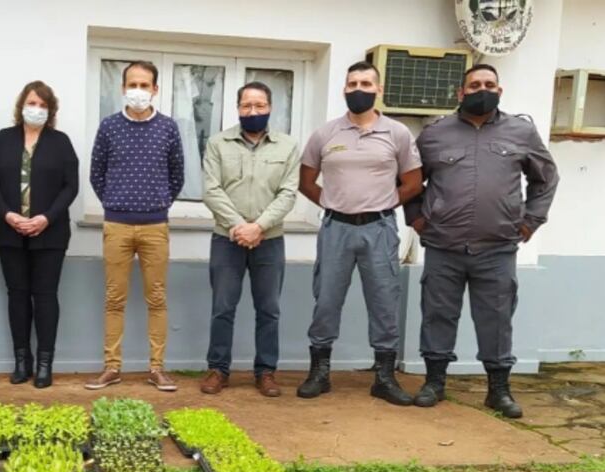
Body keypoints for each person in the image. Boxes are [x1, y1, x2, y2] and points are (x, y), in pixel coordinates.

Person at [405, 63, 559, 418]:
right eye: (474, 85)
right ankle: (434, 383)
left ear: (500, 91)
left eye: (489, 84)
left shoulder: (521, 132)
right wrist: (415, 217)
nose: (481, 89)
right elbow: (410, 180)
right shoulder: (434, 134)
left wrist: (532, 220)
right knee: (438, 315)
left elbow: (545, 178)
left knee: (497, 318)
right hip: (444, 246)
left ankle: (499, 390)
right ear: (460, 93)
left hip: (497, 247)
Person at [296, 61, 423, 404]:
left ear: (379, 89)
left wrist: (382, 202)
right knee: (326, 300)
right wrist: (334, 202)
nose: (358, 89)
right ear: (343, 89)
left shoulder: (396, 133)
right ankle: (319, 373)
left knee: (384, 301)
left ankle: (384, 377)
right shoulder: (326, 134)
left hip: (379, 229)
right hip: (336, 228)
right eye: (352, 83)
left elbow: (414, 181)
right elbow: (306, 181)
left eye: (366, 83)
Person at [85, 60, 184, 392]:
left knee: (156, 298)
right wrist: (116, 202)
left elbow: (177, 175)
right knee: (114, 299)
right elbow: (96, 174)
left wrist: (157, 203)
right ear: (123, 87)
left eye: (145, 85)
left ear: (155, 89)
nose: (138, 91)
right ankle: (112, 367)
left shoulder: (168, 128)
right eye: (132, 84)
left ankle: (156, 368)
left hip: (155, 226)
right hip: (117, 225)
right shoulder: (109, 126)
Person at [199, 81, 299, 397]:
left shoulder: (287, 146)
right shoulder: (218, 143)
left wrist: (260, 227)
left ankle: (266, 372)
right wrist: (240, 226)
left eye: (258, 105)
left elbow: (288, 192)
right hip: (226, 239)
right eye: (246, 105)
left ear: (270, 108)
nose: (252, 111)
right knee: (222, 307)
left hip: (270, 240)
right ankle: (218, 369)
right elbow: (211, 190)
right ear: (238, 108)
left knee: (268, 309)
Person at [0, 81, 78, 387]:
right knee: (18, 295)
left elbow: (70, 186)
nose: (35, 109)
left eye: (41, 105)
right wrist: (8, 214)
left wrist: (46, 218)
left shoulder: (61, 142)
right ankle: (21, 361)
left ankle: (45, 364)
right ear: (21, 106)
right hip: (9, 231)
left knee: (46, 296)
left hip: (49, 234)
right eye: (31, 103)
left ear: (50, 110)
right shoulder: (3, 138)